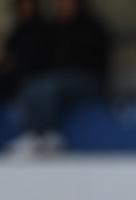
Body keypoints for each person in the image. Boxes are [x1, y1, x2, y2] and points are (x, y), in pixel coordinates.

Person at [7, 0, 111, 155]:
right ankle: (34, 134)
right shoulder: (54, 28)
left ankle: (50, 134)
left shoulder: (91, 27)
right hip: (59, 79)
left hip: (88, 79)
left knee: (50, 86)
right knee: (32, 86)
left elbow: (96, 61)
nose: (63, 7)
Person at [0, 0, 53, 102]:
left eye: (28, 5)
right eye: (22, 6)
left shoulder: (44, 30)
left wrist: (15, 63)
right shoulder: (17, 32)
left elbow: (42, 58)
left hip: (33, 76)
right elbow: (9, 56)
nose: (26, 9)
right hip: (13, 77)